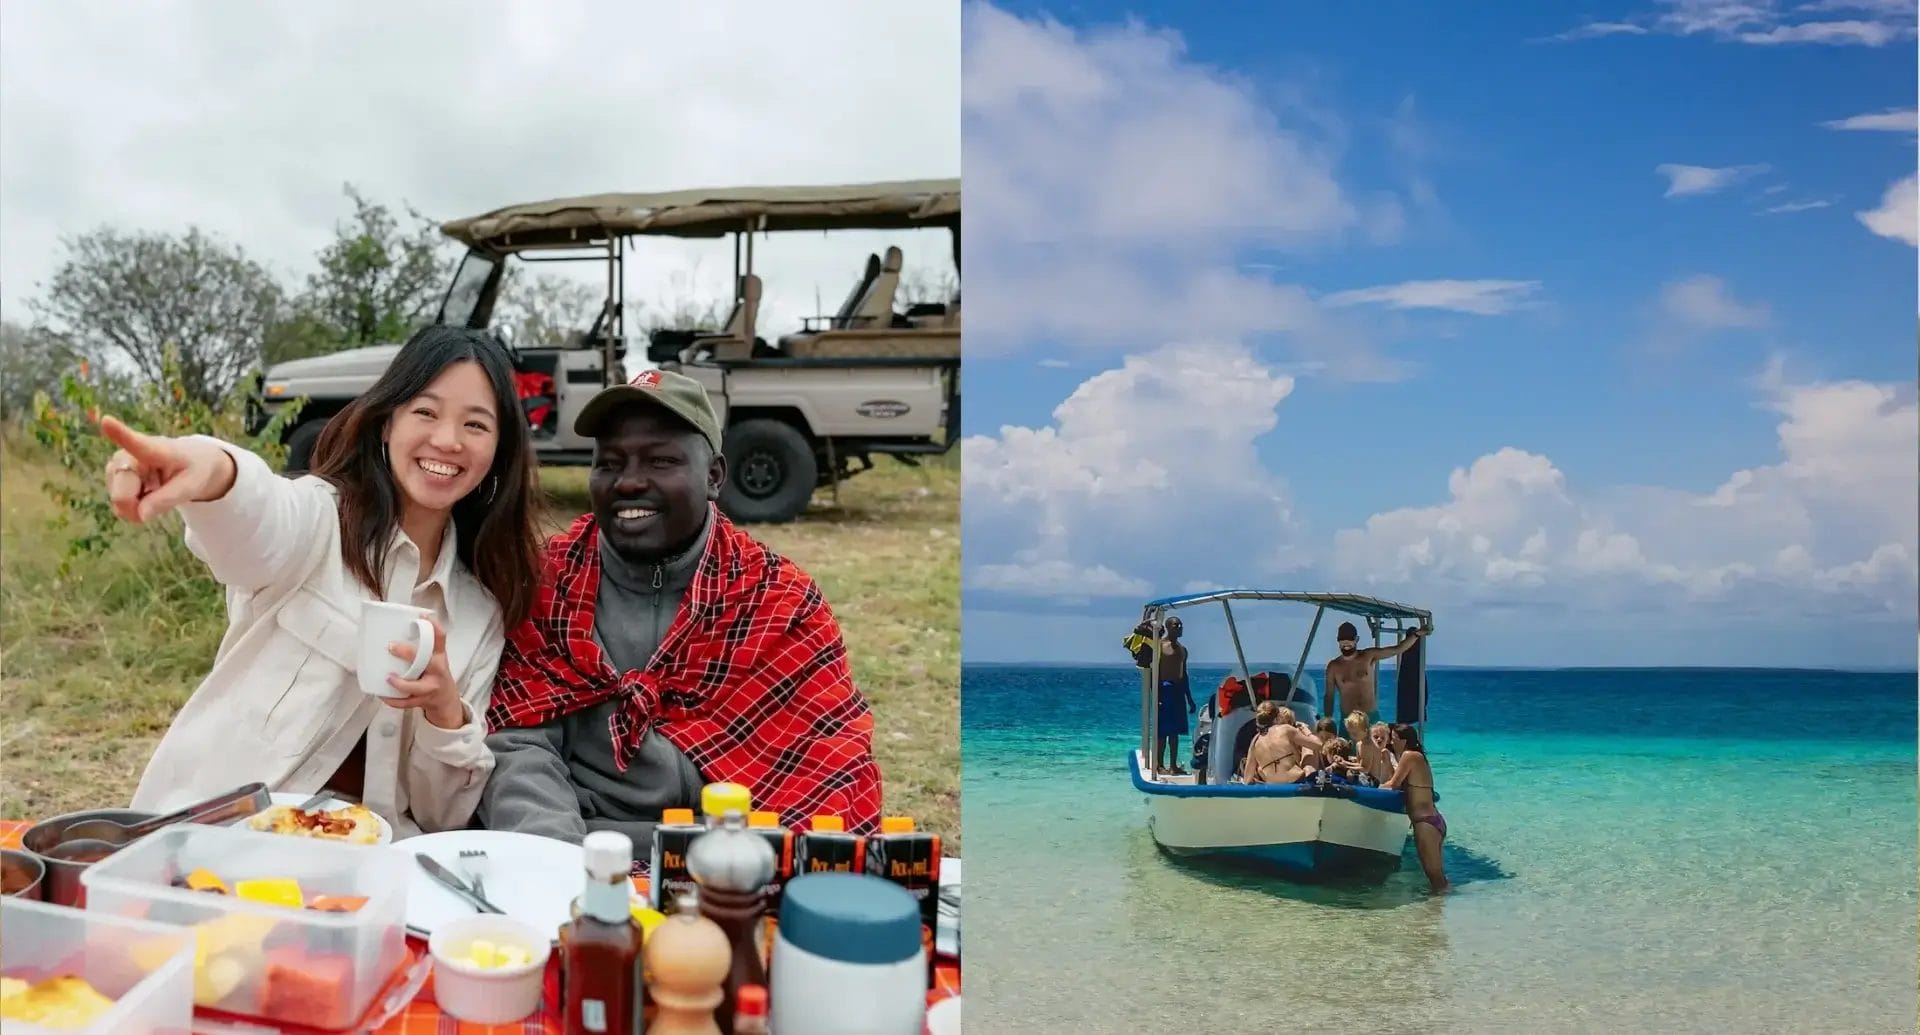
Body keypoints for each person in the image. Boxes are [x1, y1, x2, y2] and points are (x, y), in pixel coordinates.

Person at [110, 325, 544, 837]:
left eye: (476, 425)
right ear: (386, 423)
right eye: (425, 412)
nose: (447, 440)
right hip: (219, 839)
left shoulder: (477, 610)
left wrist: (444, 712)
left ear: (498, 450)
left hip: (365, 863)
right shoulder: (317, 520)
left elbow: (440, 816)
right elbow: (255, 515)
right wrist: (211, 471)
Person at [478, 368, 883, 848]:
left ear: (714, 476)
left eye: (661, 460)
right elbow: (518, 745)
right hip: (582, 843)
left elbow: (830, 765)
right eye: (609, 463)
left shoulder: (779, 599)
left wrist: (739, 864)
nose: (628, 482)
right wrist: (560, 864)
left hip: (733, 852)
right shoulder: (548, 583)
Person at [1382, 723, 1449, 894]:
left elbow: (1393, 785)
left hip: (1425, 823)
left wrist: (1375, 788)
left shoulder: (1409, 755)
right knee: (1437, 879)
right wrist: (1387, 757)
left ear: (1404, 740)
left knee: (1436, 879)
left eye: (1394, 739)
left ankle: (1437, 912)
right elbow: (1396, 780)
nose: (1391, 742)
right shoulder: (1413, 756)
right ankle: (1439, 913)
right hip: (1431, 821)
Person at [1324, 622, 1423, 724]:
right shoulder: (1333, 666)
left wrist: (1416, 635)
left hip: (1371, 717)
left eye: (1349, 642)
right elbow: (1329, 696)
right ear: (1338, 641)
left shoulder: (1368, 656)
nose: (1346, 645)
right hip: (1348, 720)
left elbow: (1397, 649)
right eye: (1343, 642)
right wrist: (1328, 720)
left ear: (1356, 639)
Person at [1152, 615, 1196, 775]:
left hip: (1178, 690)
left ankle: (1173, 765)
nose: (1179, 628)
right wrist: (1156, 695)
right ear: (1168, 627)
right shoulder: (1159, 646)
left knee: (1175, 731)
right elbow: (1153, 672)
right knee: (1163, 730)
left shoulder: (1183, 650)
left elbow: (1183, 674)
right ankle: (1159, 764)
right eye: (1176, 625)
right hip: (1165, 689)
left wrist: (1189, 698)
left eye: (1181, 625)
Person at [1241, 703, 1319, 784]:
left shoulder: (1254, 741)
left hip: (1274, 787)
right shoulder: (1286, 729)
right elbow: (1318, 745)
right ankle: (1313, 777)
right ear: (1278, 717)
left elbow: (1247, 779)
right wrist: (1306, 730)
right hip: (1296, 781)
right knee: (1309, 748)